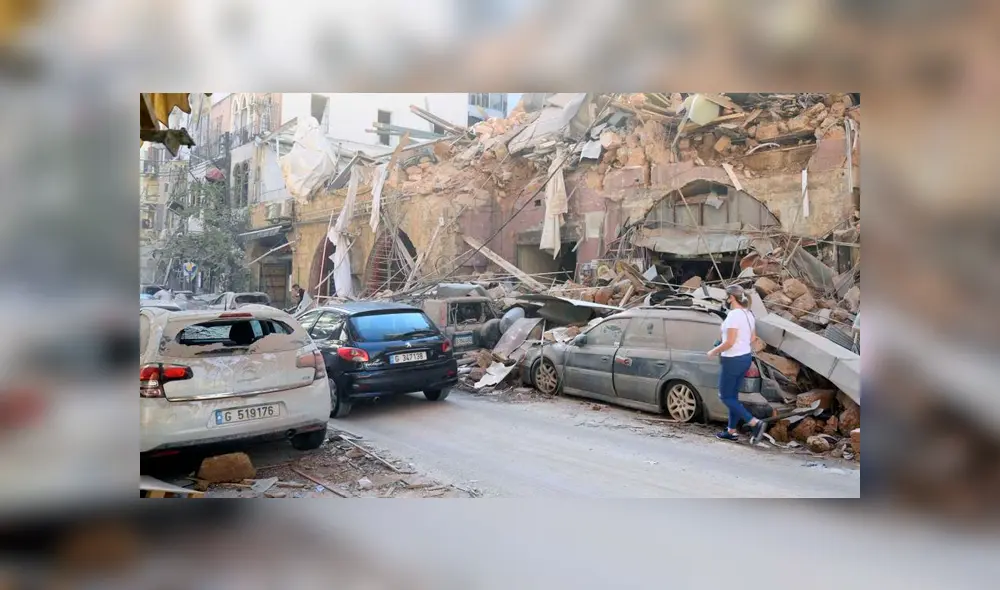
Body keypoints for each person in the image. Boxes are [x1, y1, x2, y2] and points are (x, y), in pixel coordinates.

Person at [707, 284, 767, 442]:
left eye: (726, 297)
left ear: (731, 298)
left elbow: (730, 342)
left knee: (725, 396)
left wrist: (713, 351)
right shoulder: (748, 314)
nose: (725, 300)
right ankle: (731, 431)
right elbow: (752, 338)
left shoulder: (734, 315)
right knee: (733, 396)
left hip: (732, 359)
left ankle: (754, 422)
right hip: (745, 358)